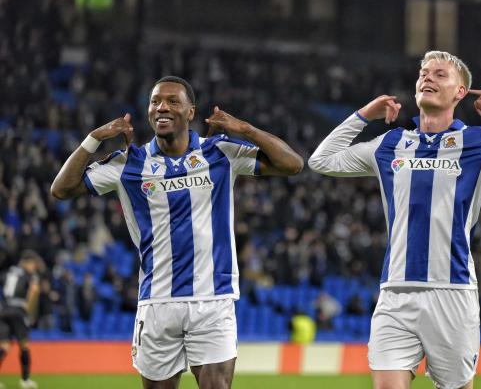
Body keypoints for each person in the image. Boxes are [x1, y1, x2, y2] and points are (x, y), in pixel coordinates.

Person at [308, 51, 481, 389]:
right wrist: (364, 115)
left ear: (460, 93)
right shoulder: (391, 143)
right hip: (396, 293)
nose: (427, 77)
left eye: (440, 74)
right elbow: (321, 160)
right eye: (423, 73)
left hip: (452, 293)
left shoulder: (479, 143)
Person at [51, 76, 303, 389]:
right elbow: (61, 190)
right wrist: (92, 139)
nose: (162, 107)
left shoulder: (220, 152)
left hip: (212, 298)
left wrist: (247, 130)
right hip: (157, 302)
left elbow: (293, 164)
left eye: (172, 101)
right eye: (155, 101)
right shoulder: (129, 163)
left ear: (190, 112)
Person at [0, 250, 43, 389]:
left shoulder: (8, 272)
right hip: (18, 310)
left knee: (4, 346)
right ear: (27, 263)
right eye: (33, 264)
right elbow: (34, 290)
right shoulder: (30, 274)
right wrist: (28, 309)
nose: (34, 267)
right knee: (24, 345)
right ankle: (25, 380)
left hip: (4, 310)